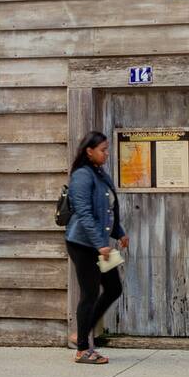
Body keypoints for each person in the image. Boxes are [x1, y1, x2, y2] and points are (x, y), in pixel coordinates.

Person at [65, 131, 127, 365]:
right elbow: (84, 213)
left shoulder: (100, 174)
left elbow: (108, 209)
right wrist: (100, 244)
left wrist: (119, 233)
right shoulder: (82, 175)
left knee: (113, 288)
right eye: (103, 149)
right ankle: (82, 349)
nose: (107, 153)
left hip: (99, 244)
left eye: (107, 149)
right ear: (89, 151)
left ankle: (82, 332)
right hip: (83, 244)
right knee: (90, 294)